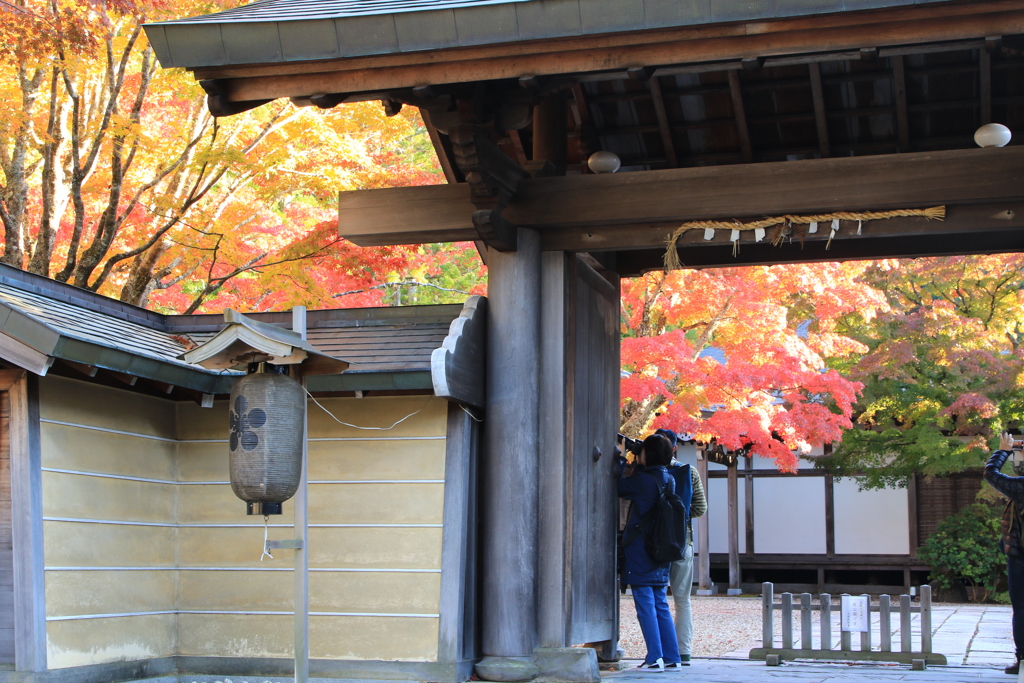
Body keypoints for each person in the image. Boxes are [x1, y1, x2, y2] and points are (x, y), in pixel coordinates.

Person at [617, 433, 682, 672]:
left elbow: (619, 486)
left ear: (649, 454)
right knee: (660, 603)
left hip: (641, 548)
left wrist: (622, 458)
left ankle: (655, 657)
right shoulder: (668, 478)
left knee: (645, 604)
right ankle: (672, 655)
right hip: (660, 548)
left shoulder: (644, 481)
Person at [655, 428, 707, 666]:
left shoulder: (648, 473)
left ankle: (659, 650)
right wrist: (678, 516)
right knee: (682, 599)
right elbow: (700, 508)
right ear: (675, 447)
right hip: (682, 541)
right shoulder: (689, 472)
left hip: (654, 543)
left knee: (655, 597)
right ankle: (683, 651)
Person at [984, 432, 1024, 675]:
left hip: (1020, 556)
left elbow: (991, 474)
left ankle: (1023, 658)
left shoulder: (1020, 487)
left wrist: (1003, 450)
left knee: (1021, 607)